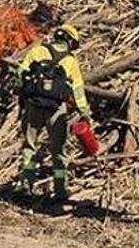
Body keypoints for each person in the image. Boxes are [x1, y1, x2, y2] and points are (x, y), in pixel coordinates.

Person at [14, 23, 93, 201]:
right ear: (71, 42)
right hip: (57, 111)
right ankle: (60, 191)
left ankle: (26, 183)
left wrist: (23, 95)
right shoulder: (70, 61)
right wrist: (84, 112)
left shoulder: (37, 51)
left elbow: (20, 74)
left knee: (29, 147)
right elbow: (78, 90)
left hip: (33, 106)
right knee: (58, 152)